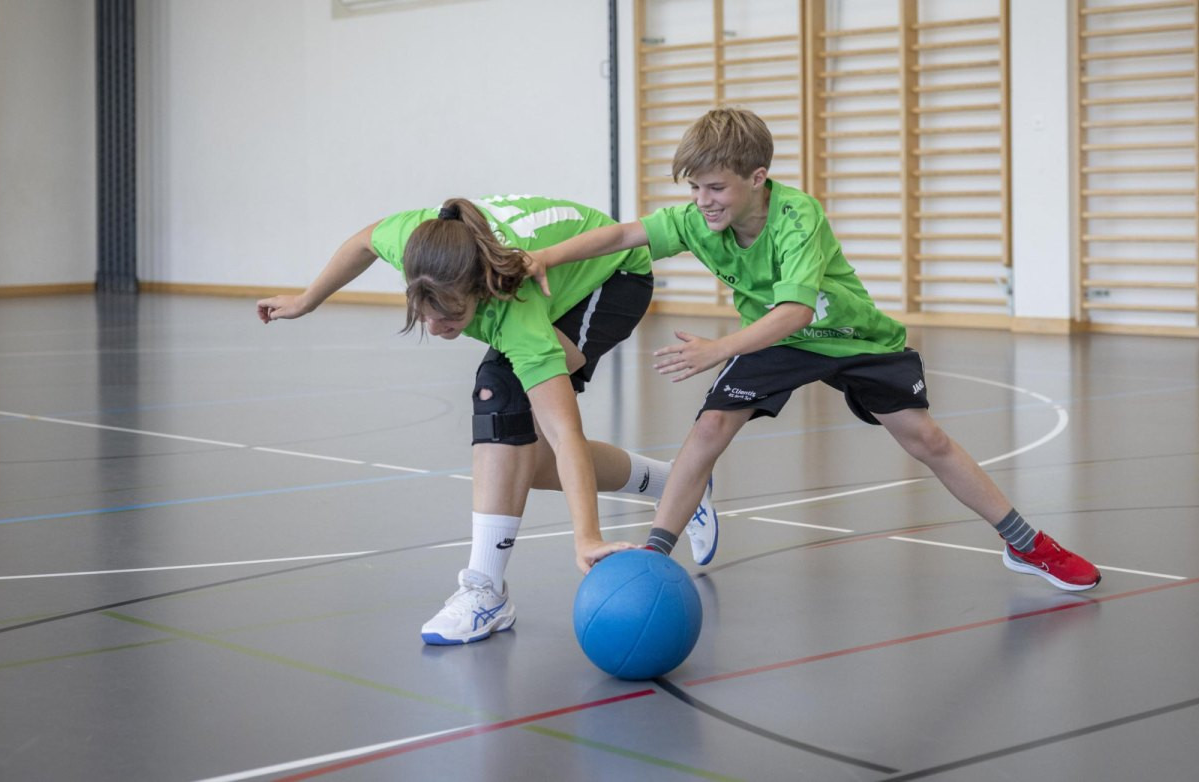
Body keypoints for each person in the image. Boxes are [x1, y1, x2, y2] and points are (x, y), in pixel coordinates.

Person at [527, 109, 1100, 591]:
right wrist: (547, 258)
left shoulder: (798, 218)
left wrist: (720, 347)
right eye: (695, 188)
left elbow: (797, 312)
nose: (703, 201)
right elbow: (625, 234)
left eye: (716, 187)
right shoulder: (698, 219)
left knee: (928, 439)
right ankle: (655, 556)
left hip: (849, 335)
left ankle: (1026, 544)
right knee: (708, 430)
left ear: (758, 177)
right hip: (775, 340)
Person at [255, 194, 721, 645]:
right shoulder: (421, 245)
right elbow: (363, 240)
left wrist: (586, 538)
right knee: (528, 464)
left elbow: (565, 433)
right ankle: (676, 484)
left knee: (498, 392)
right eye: (424, 313)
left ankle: (485, 589)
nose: (436, 328)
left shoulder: (515, 312)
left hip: (613, 276)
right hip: (539, 276)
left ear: (480, 290)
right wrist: (307, 300)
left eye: (450, 315)